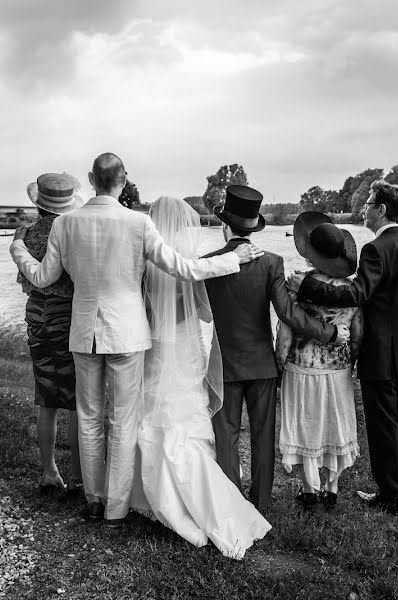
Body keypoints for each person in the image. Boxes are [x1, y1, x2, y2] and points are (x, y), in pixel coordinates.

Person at [10, 153, 263, 526]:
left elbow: (43, 278)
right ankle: (115, 508)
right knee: (124, 420)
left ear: (92, 179)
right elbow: (185, 269)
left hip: (83, 333)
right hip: (127, 333)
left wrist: (17, 250)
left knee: (91, 416)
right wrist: (233, 259)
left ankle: (94, 501)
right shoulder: (138, 223)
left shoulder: (66, 224)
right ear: (123, 180)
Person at [134, 195, 271, 559]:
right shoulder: (191, 265)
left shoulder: (147, 263)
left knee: (155, 417)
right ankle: (221, 502)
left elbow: (146, 309)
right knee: (187, 422)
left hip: (156, 347)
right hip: (186, 348)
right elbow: (206, 316)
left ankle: (154, 498)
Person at [288, 181, 398, 514]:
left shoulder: (376, 250)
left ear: (381, 210)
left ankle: (388, 496)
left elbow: (356, 294)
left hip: (382, 353)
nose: (364, 209)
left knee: (384, 425)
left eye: (368, 204)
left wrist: (308, 284)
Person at [202, 185, 349, 512]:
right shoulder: (272, 263)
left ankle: (229, 505)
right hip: (262, 365)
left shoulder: (208, 264)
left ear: (226, 226)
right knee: (261, 437)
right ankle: (261, 503)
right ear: (254, 227)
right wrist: (329, 332)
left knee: (226, 436)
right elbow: (288, 314)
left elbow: (199, 313)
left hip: (222, 364)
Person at [275, 213, 363, 511]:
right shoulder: (352, 290)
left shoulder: (297, 284)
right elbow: (358, 333)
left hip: (301, 366)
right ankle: (332, 487)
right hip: (338, 369)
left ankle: (309, 489)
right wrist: (353, 360)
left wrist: (279, 362)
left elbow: (285, 330)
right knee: (333, 425)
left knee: (306, 424)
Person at [18, 172, 86, 496]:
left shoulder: (27, 234)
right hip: (65, 315)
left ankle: (48, 471)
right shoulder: (71, 234)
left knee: (46, 399)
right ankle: (76, 477)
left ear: (40, 204)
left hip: (36, 314)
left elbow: (25, 279)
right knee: (75, 402)